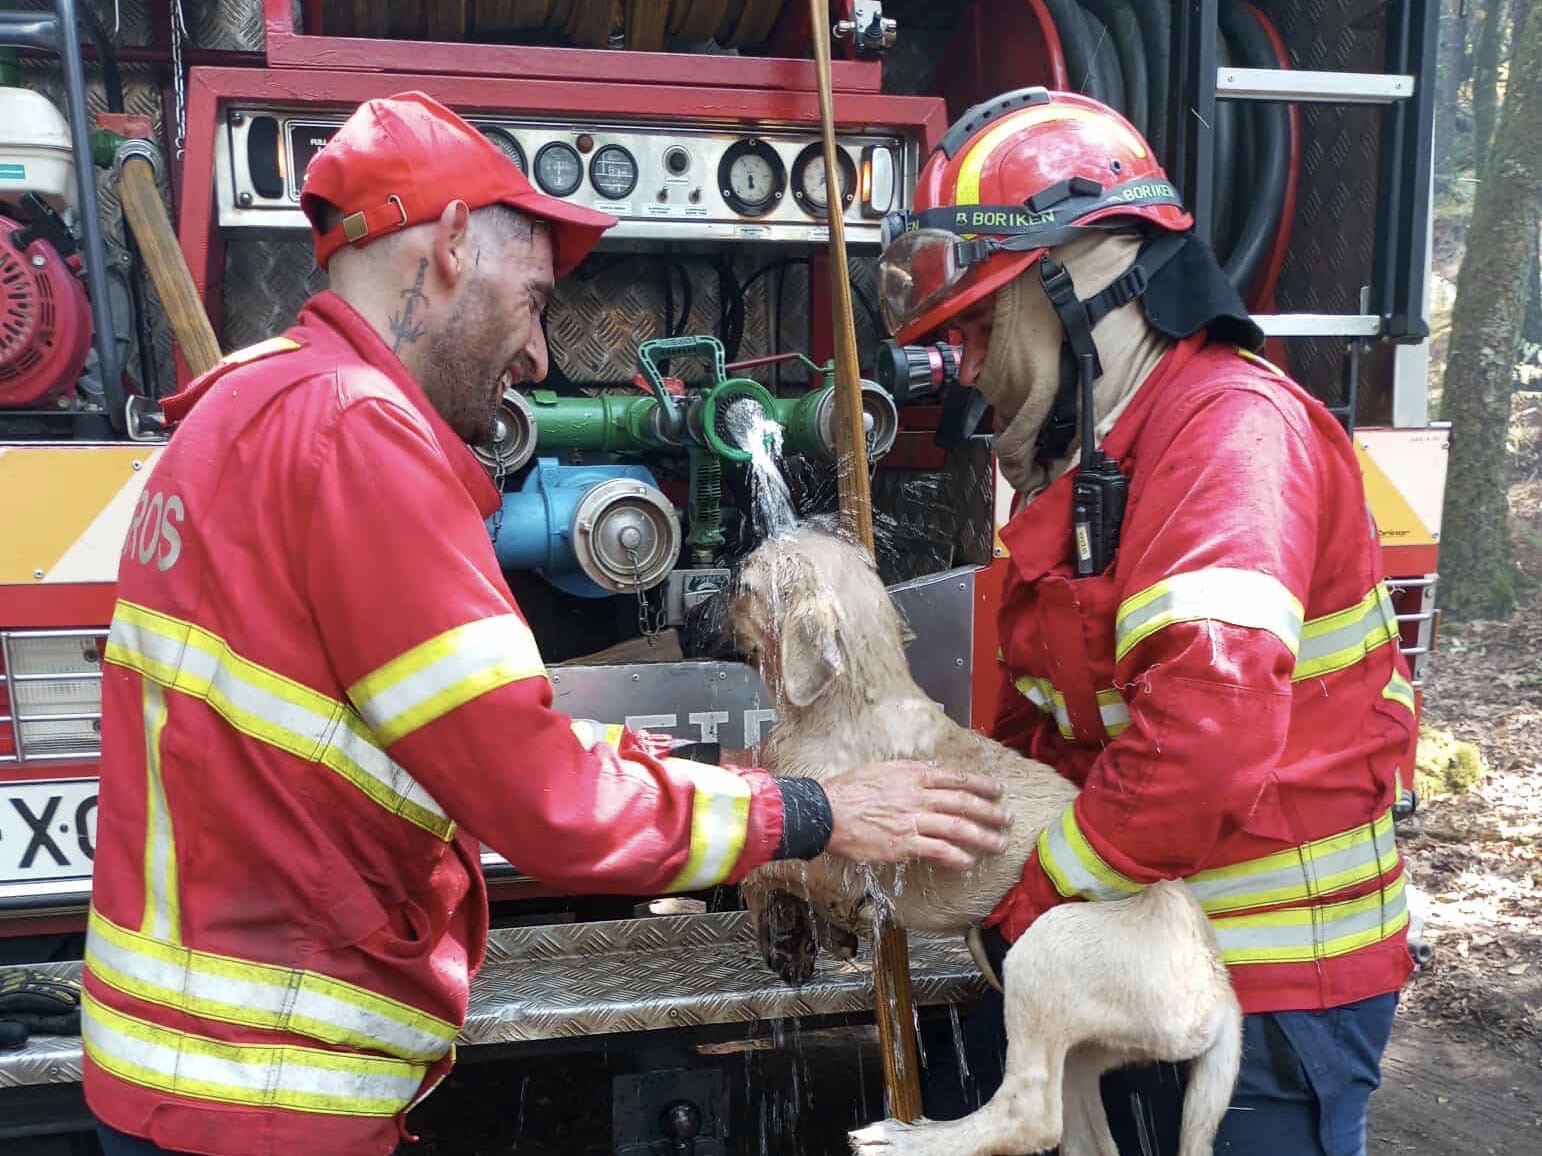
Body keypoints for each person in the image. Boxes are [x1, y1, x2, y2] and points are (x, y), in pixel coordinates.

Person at [82, 91, 1013, 1156]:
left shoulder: (245, 405)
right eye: (531, 302)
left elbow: (448, 735)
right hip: (268, 1087)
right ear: (450, 245)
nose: (534, 355)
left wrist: (688, 768)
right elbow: (539, 798)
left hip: (182, 1062)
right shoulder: (363, 443)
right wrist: (810, 812)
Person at [880, 88, 1417, 1156]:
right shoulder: (1107, 466)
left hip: (1266, 996)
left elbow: (1203, 742)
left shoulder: (1228, 438)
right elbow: (1062, 733)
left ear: (1080, 279)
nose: (970, 368)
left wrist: (1033, 902)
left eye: (982, 323)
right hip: (1142, 969)